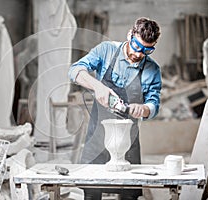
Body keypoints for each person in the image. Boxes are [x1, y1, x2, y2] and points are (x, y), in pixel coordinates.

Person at [68, 17, 161, 199]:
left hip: (128, 142)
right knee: (92, 190)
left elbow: (154, 103)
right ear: (130, 35)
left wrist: (144, 109)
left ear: (154, 45)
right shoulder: (107, 50)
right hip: (97, 136)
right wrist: (98, 87)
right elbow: (75, 70)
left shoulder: (152, 69)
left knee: (129, 193)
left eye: (147, 50)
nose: (139, 54)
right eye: (136, 46)